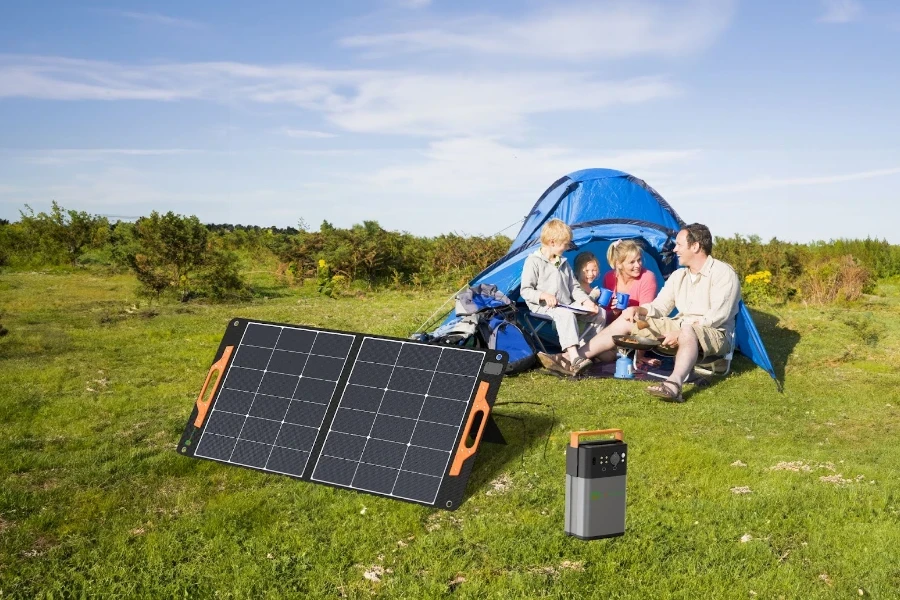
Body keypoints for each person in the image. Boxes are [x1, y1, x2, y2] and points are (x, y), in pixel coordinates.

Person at [570, 223, 740, 401]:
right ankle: (573, 359)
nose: (675, 249)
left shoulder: (723, 273)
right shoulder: (679, 276)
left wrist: (681, 332)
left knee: (688, 329)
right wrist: (638, 309)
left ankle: (673, 385)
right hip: (679, 324)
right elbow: (659, 307)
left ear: (695, 246)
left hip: (715, 333)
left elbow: (717, 316)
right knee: (627, 318)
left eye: (680, 245)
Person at [520, 220, 605, 377]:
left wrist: (586, 302)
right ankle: (574, 358)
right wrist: (543, 295)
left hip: (566, 304)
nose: (567, 248)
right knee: (565, 314)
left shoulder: (563, 263)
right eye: (564, 244)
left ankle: (586, 352)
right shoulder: (533, 261)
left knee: (600, 312)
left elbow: (575, 288)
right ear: (552, 242)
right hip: (543, 306)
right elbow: (525, 290)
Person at [602, 239, 659, 369]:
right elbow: (607, 317)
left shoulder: (647, 277)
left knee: (607, 355)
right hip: (614, 331)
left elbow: (646, 318)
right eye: (632, 262)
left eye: (639, 260)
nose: (638, 265)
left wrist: (639, 356)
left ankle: (626, 354)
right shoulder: (609, 278)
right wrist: (615, 312)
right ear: (619, 264)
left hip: (636, 333)